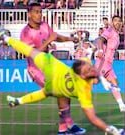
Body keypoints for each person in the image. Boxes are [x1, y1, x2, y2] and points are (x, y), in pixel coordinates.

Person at [0, 31, 123, 135]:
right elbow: (92, 118)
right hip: (56, 81)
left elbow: (94, 70)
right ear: (82, 75)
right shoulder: (84, 90)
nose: (91, 68)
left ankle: (6, 38)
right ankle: (64, 128)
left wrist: (101, 75)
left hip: (55, 70)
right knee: (49, 92)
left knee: (31, 54)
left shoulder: (84, 65)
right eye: (89, 69)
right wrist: (110, 130)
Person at [18, 2, 82, 135]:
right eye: (36, 12)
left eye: (40, 11)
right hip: (36, 69)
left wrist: (70, 39)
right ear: (29, 14)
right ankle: (66, 126)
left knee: (65, 90)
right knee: (61, 90)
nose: (39, 14)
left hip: (48, 65)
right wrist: (48, 42)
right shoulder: (25, 33)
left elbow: (55, 36)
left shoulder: (44, 25)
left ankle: (64, 128)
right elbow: (33, 54)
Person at [95, 15, 125, 112]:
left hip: (109, 62)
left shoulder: (117, 34)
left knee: (115, 83)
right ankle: (103, 80)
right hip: (103, 60)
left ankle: (121, 105)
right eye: (115, 20)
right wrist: (100, 50)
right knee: (95, 80)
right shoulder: (110, 30)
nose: (117, 22)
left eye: (119, 21)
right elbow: (100, 39)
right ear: (112, 22)